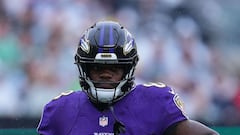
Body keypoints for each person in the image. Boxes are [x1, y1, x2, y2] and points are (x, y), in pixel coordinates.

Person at [37, 21, 219, 135]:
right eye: (97, 67)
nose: (105, 74)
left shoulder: (155, 102)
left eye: (114, 67)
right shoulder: (61, 111)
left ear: (129, 68)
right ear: (84, 68)